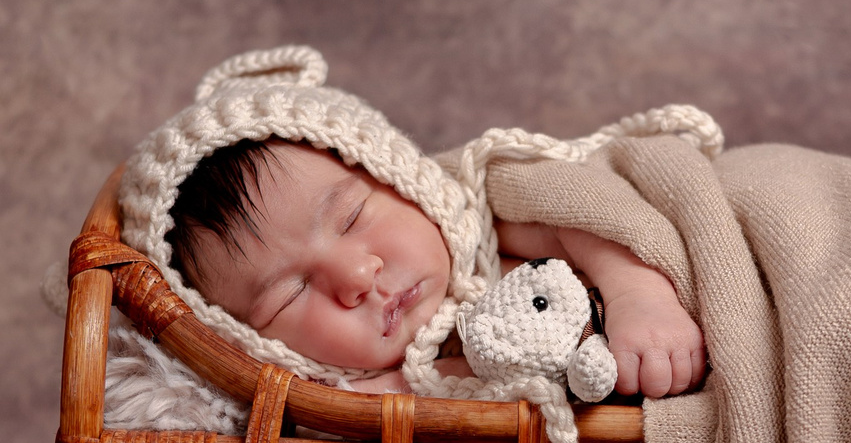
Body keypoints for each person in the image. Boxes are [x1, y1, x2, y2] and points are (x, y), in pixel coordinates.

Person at [165, 135, 705, 399]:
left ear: (396, 178)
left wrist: (639, 296)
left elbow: (582, 215)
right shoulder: (354, 391)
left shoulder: (479, 216)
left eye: (351, 217)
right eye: (291, 293)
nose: (357, 277)